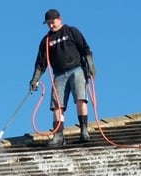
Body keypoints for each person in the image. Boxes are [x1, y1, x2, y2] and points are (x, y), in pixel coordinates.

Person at [29, 9, 96, 146]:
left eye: (52, 22)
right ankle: (58, 135)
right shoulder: (46, 40)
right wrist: (35, 79)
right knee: (57, 105)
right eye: (48, 24)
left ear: (59, 19)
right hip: (59, 74)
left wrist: (90, 65)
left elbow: (85, 49)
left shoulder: (71, 31)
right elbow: (41, 63)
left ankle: (84, 130)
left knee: (80, 98)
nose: (51, 26)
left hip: (76, 69)